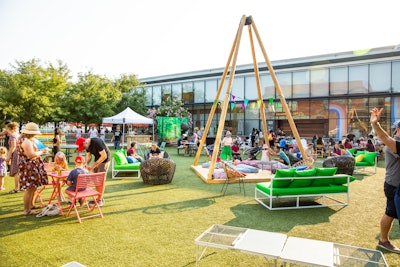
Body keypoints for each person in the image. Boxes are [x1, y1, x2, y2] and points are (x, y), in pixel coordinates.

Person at [370, 108, 400, 253]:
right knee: (390, 212)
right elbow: (387, 138)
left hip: (394, 184)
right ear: (398, 130)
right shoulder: (394, 145)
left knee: (391, 213)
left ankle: (383, 240)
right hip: (394, 185)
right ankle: (383, 240)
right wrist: (376, 125)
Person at [18, 122, 49, 215]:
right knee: (29, 188)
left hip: (32, 166)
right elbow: (31, 155)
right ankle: (26, 210)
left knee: (34, 187)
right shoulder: (26, 141)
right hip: (29, 167)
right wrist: (42, 151)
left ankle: (31, 205)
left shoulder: (28, 140)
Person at [79, 137, 111, 206]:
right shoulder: (87, 145)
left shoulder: (97, 142)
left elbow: (104, 156)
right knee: (95, 180)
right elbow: (89, 156)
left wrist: (93, 166)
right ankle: (98, 197)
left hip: (104, 161)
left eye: (84, 147)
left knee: (101, 180)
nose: (84, 149)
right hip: (97, 159)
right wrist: (86, 163)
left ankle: (100, 200)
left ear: (85, 143)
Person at [5, 122, 20, 194]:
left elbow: (13, 146)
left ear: (9, 128)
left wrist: (9, 156)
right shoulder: (17, 135)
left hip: (15, 154)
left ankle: (17, 187)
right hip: (19, 153)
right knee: (18, 171)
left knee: (16, 171)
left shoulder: (12, 135)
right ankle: (20, 186)